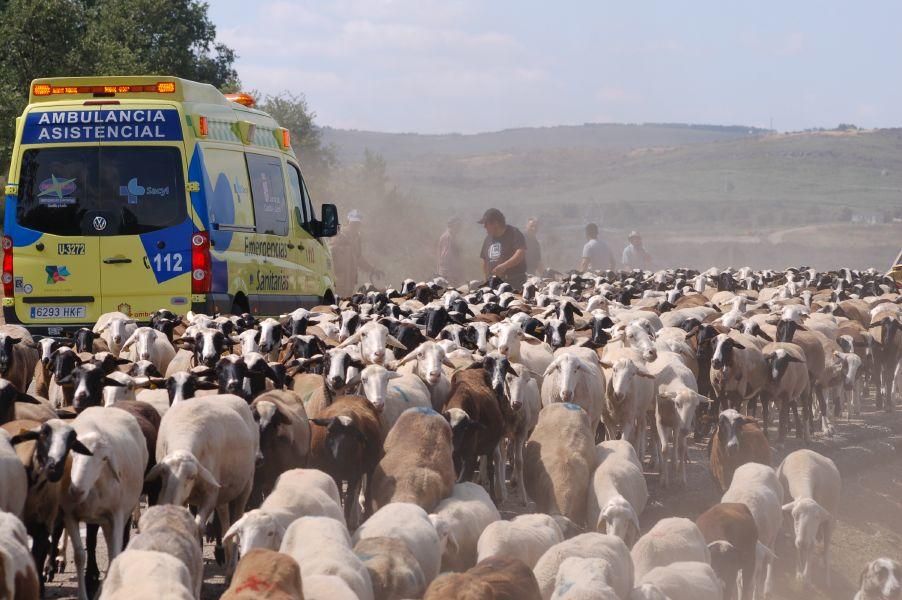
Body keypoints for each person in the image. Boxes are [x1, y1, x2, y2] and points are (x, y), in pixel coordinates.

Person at [329, 209, 383, 297]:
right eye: (353, 223)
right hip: (338, 280)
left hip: (350, 281)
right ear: (348, 222)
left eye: (357, 224)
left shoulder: (357, 238)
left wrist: (372, 269)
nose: (355, 226)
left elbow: (359, 258)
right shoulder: (338, 236)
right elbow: (329, 255)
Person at [478, 208, 527, 289]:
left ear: (496, 223)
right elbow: (485, 261)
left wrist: (504, 266)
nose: (484, 227)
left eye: (486, 224)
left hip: (514, 282)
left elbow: (520, 253)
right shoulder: (488, 239)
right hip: (494, 283)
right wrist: (487, 280)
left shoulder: (513, 233)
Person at [437, 217, 463, 284]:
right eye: (458, 225)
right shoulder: (448, 237)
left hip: (450, 272)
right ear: (453, 225)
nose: (459, 228)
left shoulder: (451, 236)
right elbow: (446, 257)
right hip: (448, 273)